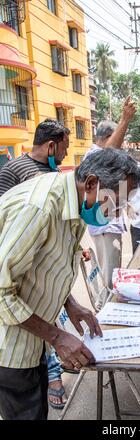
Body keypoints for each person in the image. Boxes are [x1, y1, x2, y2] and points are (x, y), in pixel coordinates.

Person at [0, 148, 140, 420]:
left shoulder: (74, 201)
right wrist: (56, 337)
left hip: (32, 332)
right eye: (115, 204)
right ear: (91, 183)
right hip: (9, 345)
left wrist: (71, 302)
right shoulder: (39, 208)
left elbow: (48, 261)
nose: (115, 214)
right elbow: (1, 292)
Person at [0, 119, 70, 409]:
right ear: (52, 145)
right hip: (16, 269)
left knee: (45, 337)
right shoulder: (14, 171)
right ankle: (53, 379)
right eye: (64, 149)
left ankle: (50, 377)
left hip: (42, 273)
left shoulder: (53, 173)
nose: (65, 156)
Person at [84, 96, 136, 288]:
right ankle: (104, 313)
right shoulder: (94, 155)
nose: (120, 143)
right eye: (118, 137)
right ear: (108, 138)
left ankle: (104, 308)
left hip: (109, 225)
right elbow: (109, 153)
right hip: (105, 227)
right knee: (109, 278)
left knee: (109, 274)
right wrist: (125, 120)